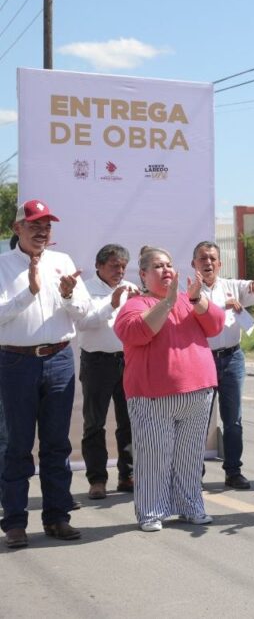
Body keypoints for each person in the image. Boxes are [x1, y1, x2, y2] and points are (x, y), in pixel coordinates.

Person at [114, 246, 225, 532]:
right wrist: (167, 303)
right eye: (158, 266)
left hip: (198, 392)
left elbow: (216, 325)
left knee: (189, 457)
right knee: (154, 456)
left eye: (169, 265)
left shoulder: (190, 301)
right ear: (143, 274)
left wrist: (196, 298)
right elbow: (137, 332)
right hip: (152, 396)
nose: (166, 270)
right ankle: (152, 512)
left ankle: (191, 507)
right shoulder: (135, 304)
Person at [0, 200, 90, 548]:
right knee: (17, 446)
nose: (42, 231)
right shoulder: (4, 266)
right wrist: (30, 292)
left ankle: (57, 518)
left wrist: (67, 295)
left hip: (58, 360)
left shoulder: (62, 263)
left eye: (47, 225)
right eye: (34, 224)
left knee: (56, 445)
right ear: (16, 228)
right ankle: (15, 523)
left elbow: (81, 313)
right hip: (15, 363)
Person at [192, 241, 254, 490]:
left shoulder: (232, 286)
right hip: (201, 359)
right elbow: (192, 311)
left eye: (212, 259)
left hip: (232, 358)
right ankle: (195, 471)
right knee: (198, 420)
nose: (208, 263)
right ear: (194, 263)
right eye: (202, 259)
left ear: (219, 264)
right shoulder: (190, 290)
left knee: (234, 419)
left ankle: (233, 471)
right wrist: (220, 307)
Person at [75, 243, 139, 500]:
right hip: (96, 363)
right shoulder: (84, 290)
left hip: (127, 361)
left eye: (123, 266)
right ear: (99, 266)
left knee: (129, 422)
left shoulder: (131, 289)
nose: (120, 271)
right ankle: (97, 479)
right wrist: (112, 305)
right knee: (94, 423)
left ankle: (127, 475)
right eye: (114, 266)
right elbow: (83, 323)